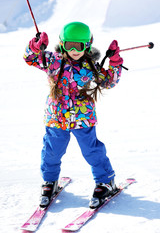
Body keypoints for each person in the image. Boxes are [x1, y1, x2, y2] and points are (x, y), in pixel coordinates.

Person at [23, 21, 123, 209]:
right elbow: (29, 58)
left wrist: (116, 62)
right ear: (62, 44)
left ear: (88, 44)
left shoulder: (91, 65)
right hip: (56, 117)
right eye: (70, 45)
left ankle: (105, 181)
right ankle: (49, 181)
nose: (75, 50)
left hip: (83, 118)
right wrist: (35, 46)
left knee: (92, 151)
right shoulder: (52, 61)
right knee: (52, 151)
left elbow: (109, 81)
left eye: (80, 45)